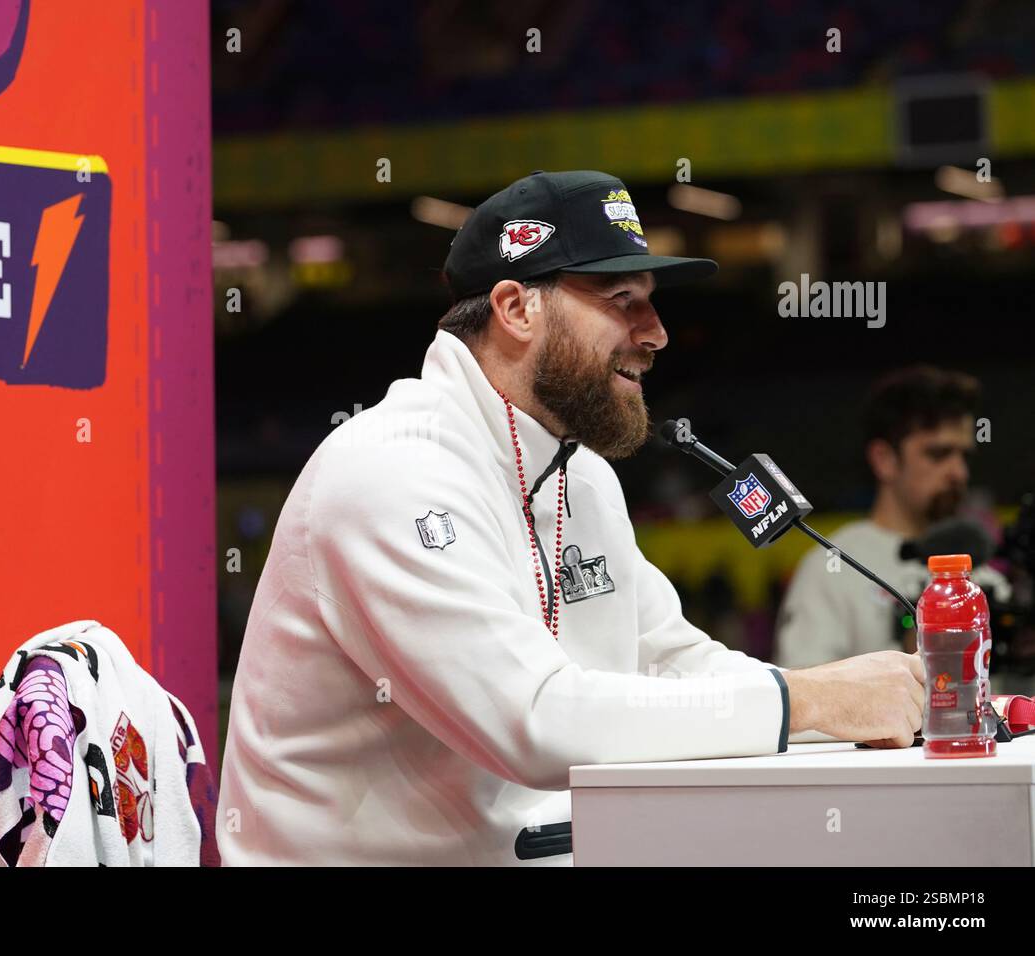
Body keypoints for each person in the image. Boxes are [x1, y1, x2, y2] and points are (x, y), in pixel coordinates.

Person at [217, 170, 924, 866]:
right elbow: (535, 721)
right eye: (623, 300)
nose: (657, 334)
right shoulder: (391, 470)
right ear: (517, 309)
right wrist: (807, 699)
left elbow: (670, 660)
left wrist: (856, 700)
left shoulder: (579, 472)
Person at [775, 367, 982, 669]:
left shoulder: (979, 559)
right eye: (938, 454)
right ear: (884, 460)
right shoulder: (833, 566)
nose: (959, 473)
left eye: (964, 456)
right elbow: (802, 695)